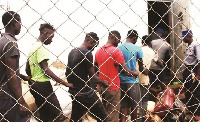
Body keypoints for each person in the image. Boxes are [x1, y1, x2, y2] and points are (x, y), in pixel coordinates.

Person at [25, 23, 73, 122]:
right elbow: (46, 70)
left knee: (45, 115)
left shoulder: (32, 47)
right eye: (51, 37)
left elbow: (27, 69)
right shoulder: (41, 48)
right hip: (43, 86)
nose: (51, 40)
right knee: (58, 115)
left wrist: (32, 76)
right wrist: (64, 82)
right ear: (46, 33)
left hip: (34, 85)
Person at [94, 30, 139, 122]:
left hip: (101, 86)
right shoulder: (116, 51)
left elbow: (95, 69)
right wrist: (135, 73)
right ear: (114, 38)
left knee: (105, 111)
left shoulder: (99, 51)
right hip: (112, 86)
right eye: (118, 40)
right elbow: (125, 70)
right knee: (113, 113)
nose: (119, 42)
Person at [65, 32, 109, 122]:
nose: (94, 48)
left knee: (75, 119)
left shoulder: (72, 51)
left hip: (76, 92)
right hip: (86, 94)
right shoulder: (87, 53)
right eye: (94, 45)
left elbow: (67, 73)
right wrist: (104, 82)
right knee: (104, 118)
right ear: (91, 42)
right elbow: (93, 77)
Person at [0, 11, 30, 122]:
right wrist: (21, 101)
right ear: (14, 23)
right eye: (20, 23)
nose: (20, 26)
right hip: (10, 96)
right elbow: (10, 73)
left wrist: (21, 75)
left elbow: (6, 68)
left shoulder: (1, 41)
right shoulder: (11, 43)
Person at [118, 30, 147, 122]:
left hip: (121, 80)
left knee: (124, 106)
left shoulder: (119, 48)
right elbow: (142, 68)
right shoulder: (137, 48)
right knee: (135, 106)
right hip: (132, 81)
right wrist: (146, 71)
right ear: (134, 38)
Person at [138, 35, 158, 121]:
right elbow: (156, 61)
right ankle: (141, 118)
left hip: (133, 78)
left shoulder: (137, 49)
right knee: (144, 100)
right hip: (144, 78)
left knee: (134, 99)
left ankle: (134, 117)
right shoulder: (152, 51)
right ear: (150, 42)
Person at [182, 30, 200, 120]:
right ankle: (190, 108)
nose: (183, 39)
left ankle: (197, 113)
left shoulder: (195, 46)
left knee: (195, 92)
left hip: (194, 70)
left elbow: (199, 61)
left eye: (184, 37)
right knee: (188, 90)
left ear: (189, 36)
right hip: (188, 70)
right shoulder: (188, 46)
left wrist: (198, 75)